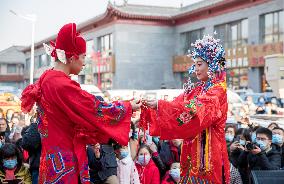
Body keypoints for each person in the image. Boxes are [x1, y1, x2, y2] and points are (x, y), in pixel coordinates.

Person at [20, 23, 140, 184]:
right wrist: (126, 107)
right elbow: (93, 107)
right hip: (64, 160)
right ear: (71, 58)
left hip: (52, 159)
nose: (85, 62)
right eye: (83, 56)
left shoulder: (47, 78)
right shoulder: (60, 84)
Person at [145, 35, 230, 183]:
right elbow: (178, 103)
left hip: (208, 152)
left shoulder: (218, 90)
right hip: (191, 149)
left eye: (199, 64)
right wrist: (156, 105)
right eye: (195, 65)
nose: (195, 69)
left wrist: (160, 105)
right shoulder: (198, 89)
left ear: (212, 65)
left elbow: (197, 108)